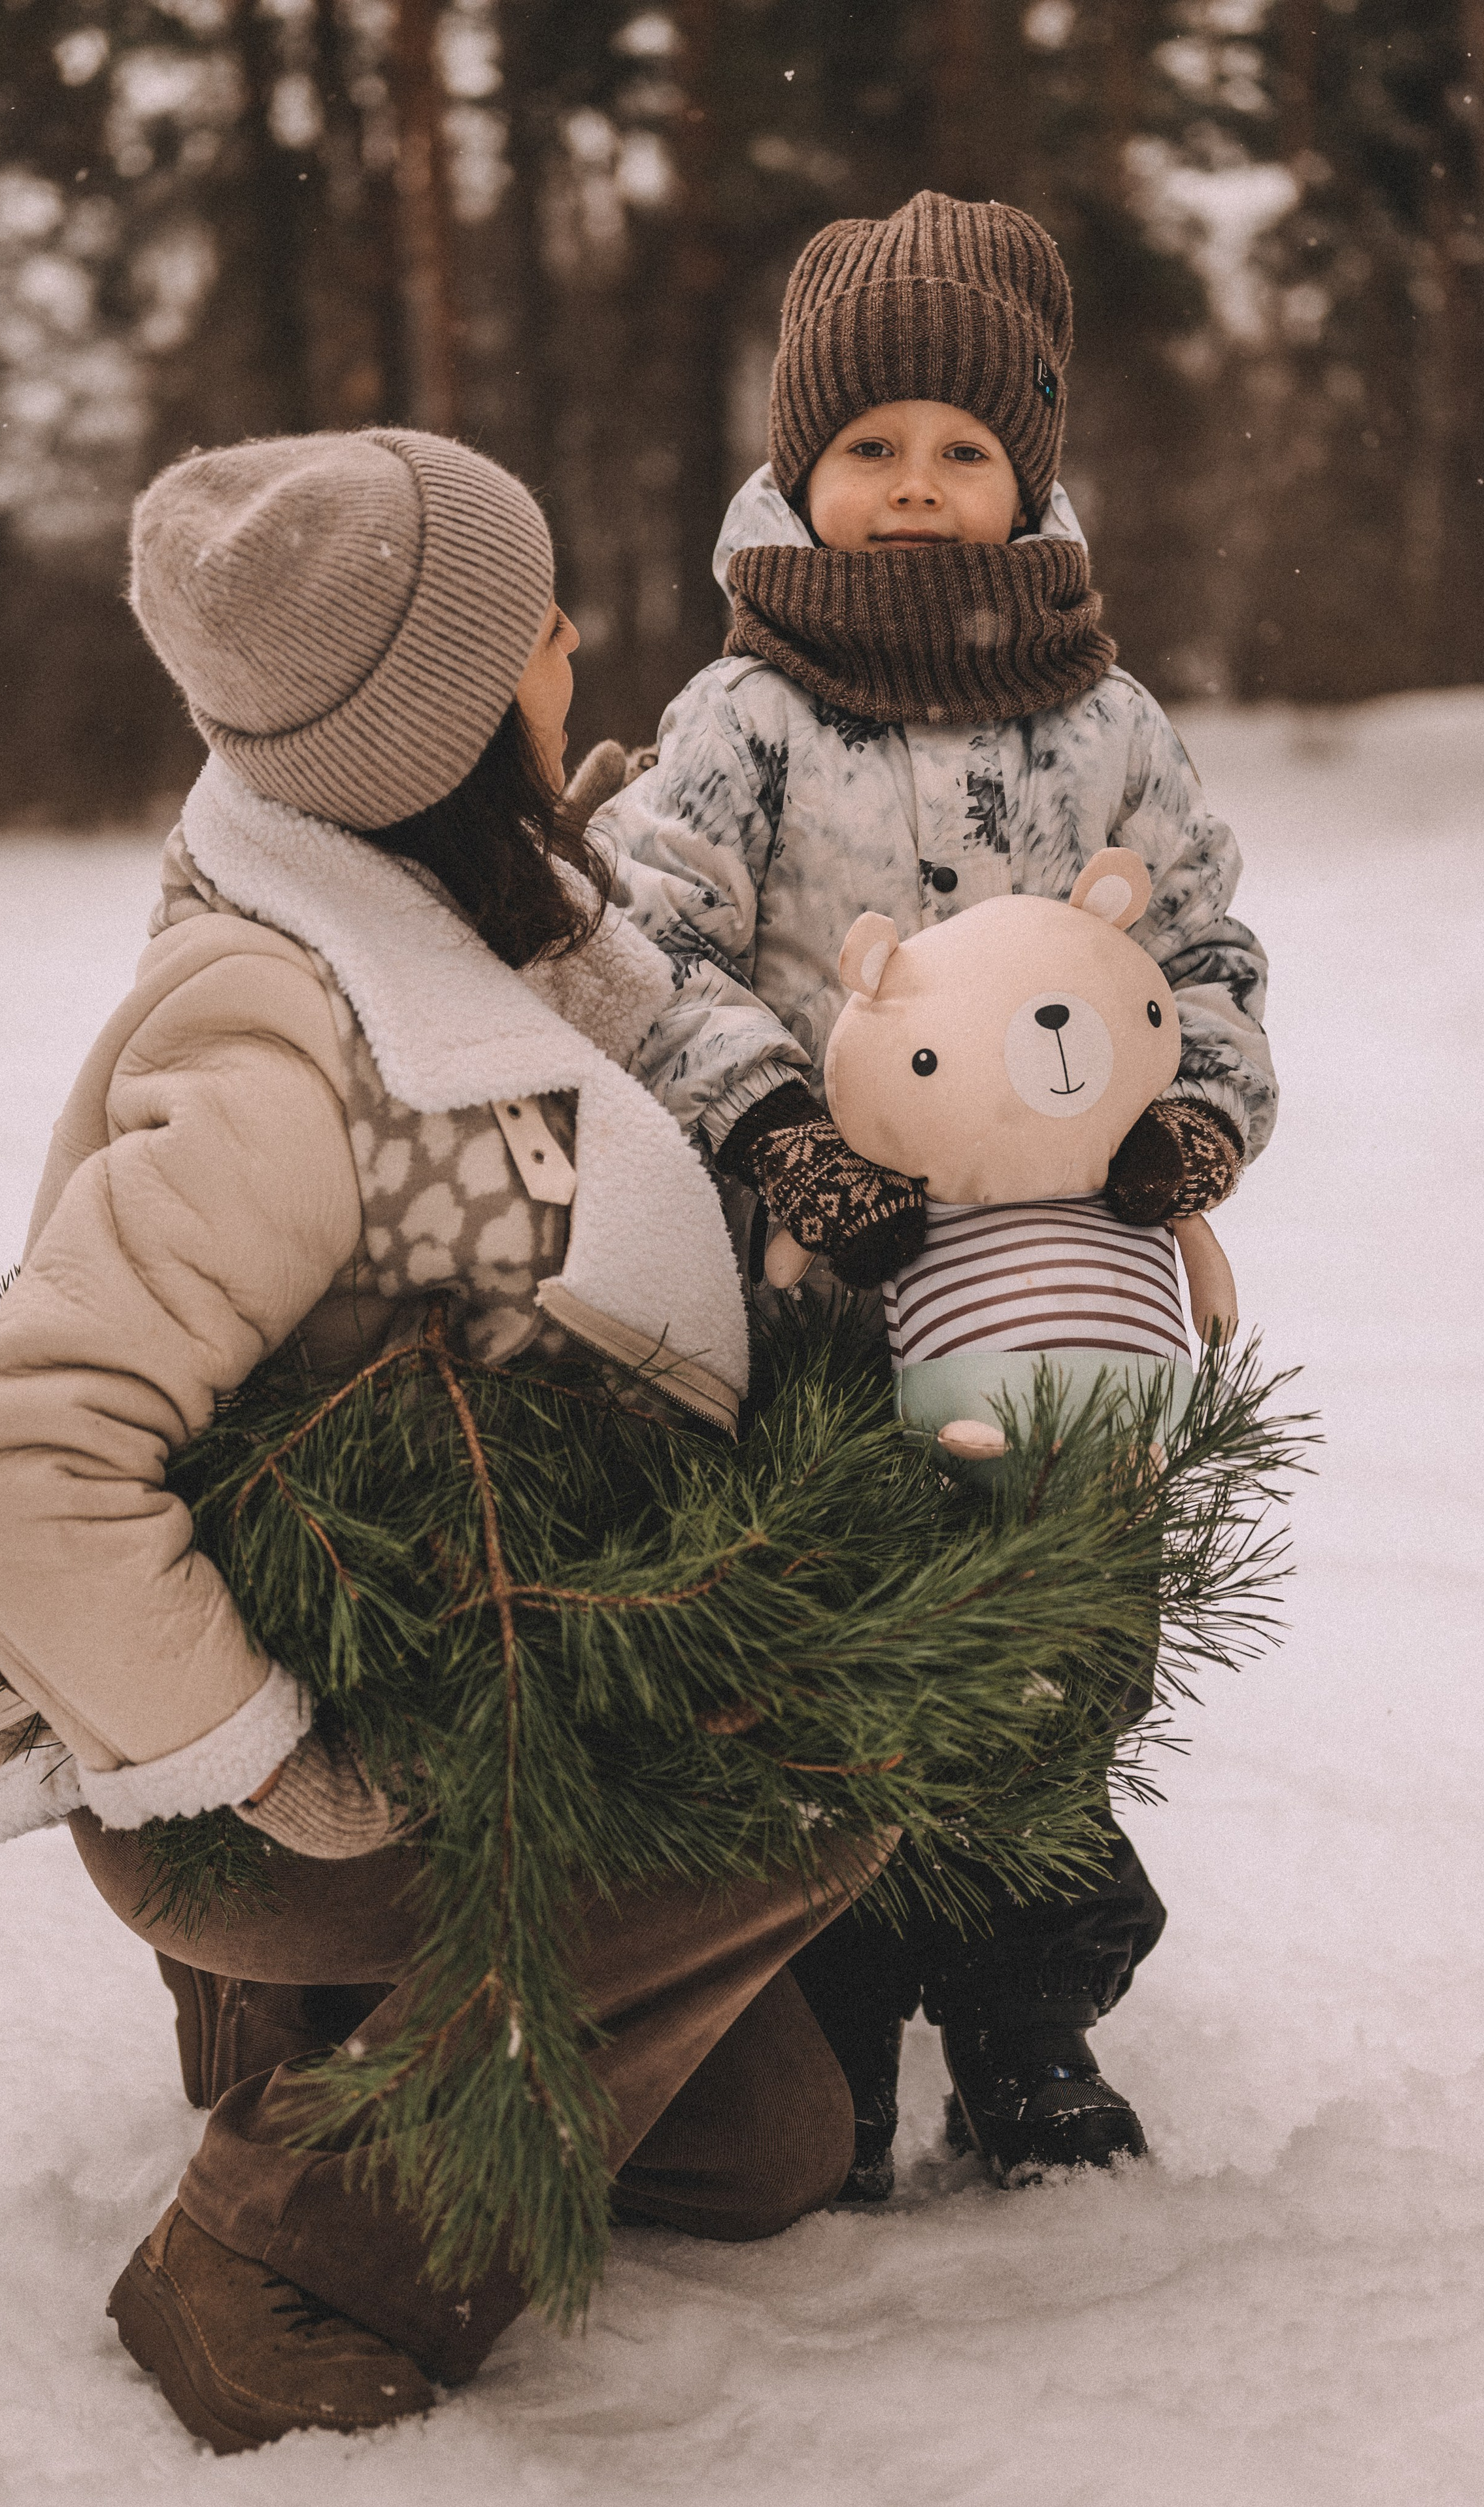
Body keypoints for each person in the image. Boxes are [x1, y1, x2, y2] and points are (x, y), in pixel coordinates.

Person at [0, 428, 885, 2453]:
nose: (572, 644)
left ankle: (305, 2027)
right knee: (816, 1794)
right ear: (439, 723)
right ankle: (266, 2246)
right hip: (277, 1762)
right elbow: (15, 1468)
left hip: (459, 1668)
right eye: (530, 629)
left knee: (772, 2145)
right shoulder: (277, 1028)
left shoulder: (472, 918)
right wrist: (275, 1765)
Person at [592, 188, 1279, 2195]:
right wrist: (770, 1128)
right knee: (835, 1652)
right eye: (869, 447)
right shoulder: (749, 714)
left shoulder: (1109, 723)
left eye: (963, 450)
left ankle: (1026, 2007)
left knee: (1060, 1645)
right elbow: (645, 946)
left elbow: (1211, 957)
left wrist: (1194, 1124)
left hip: (1066, 1297)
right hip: (827, 1279)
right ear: (801, 469)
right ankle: (826, 2026)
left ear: (1029, 472)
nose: (914, 489)